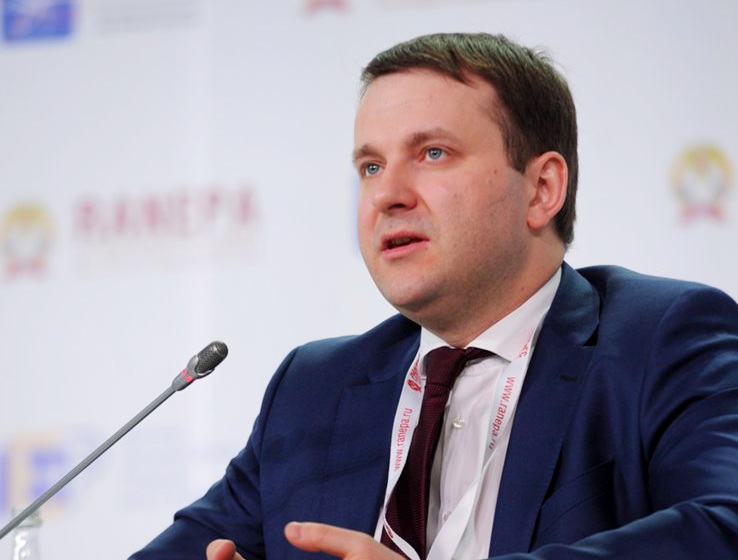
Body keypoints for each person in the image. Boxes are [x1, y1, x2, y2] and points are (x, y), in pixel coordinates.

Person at [129, 32, 738, 560]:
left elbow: (724, 528)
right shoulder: (314, 390)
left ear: (541, 189)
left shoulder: (662, 338)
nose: (386, 194)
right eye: (370, 166)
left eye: (433, 153)